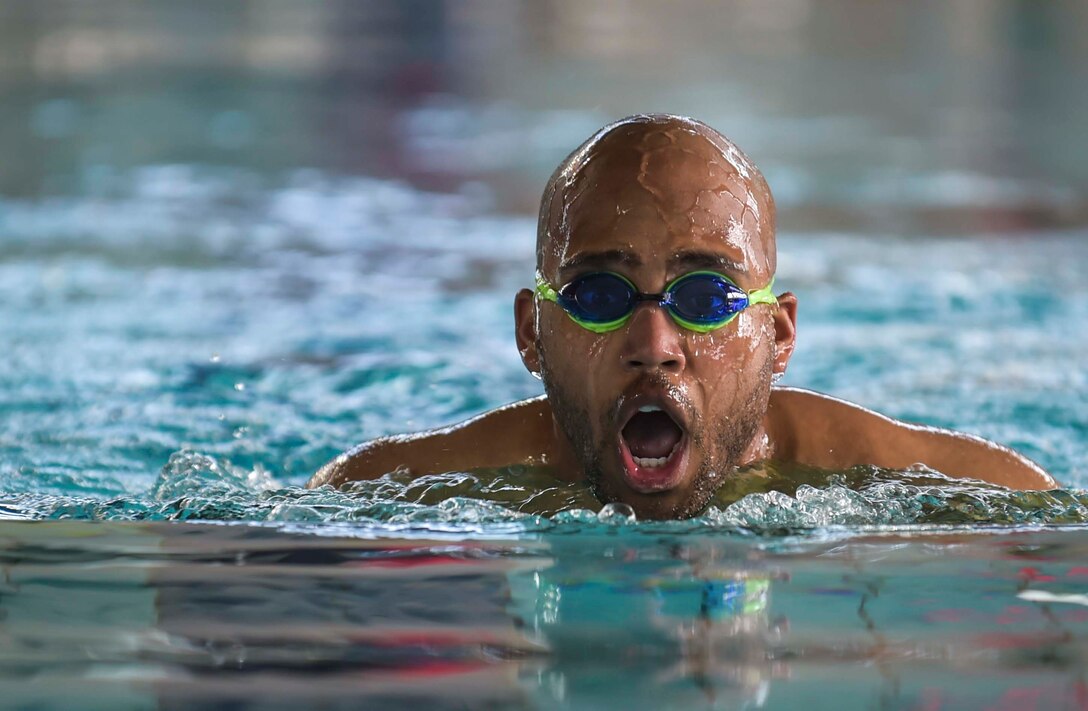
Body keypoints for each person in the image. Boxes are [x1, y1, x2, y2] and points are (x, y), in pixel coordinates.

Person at [307, 114, 1056, 519]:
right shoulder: (410, 490)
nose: (654, 346)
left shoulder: (879, 477)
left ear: (780, 334)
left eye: (705, 299)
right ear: (532, 333)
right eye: (598, 296)